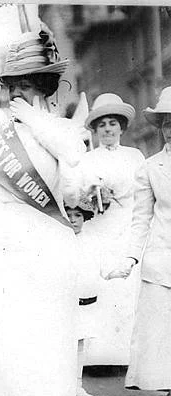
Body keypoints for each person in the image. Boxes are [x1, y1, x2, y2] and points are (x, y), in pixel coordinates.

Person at [0, 27, 84, 396]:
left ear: (43, 88)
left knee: (47, 332)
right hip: (5, 243)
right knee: (5, 333)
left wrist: (36, 121)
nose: (17, 93)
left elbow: (74, 161)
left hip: (48, 240)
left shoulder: (60, 129)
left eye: (26, 84)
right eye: (12, 85)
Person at [78, 93, 145, 365]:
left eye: (112, 124)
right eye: (102, 124)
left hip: (128, 226)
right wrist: (93, 194)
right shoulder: (87, 160)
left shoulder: (135, 156)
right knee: (102, 287)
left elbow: (144, 193)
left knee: (128, 289)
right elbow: (79, 196)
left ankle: (127, 355)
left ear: (121, 127)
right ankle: (99, 356)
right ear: (95, 129)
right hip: (99, 228)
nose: (107, 129)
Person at [112, 87, 171, 394]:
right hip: (161, 266)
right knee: (161, 352)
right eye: (165, 123)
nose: (170, 130)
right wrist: (130, 257)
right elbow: (141, 219)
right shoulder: (150, 167)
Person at [66, 197, 100, 396]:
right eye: (69, 215)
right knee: (63, 345)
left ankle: (76, 385)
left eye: (78, 215)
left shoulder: (91, 241)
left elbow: (100, 267)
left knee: (79, 345)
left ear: (85, 217)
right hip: (64, 305)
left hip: (85, 304)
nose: (73, 219)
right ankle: (64, 384)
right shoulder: (59, 240)